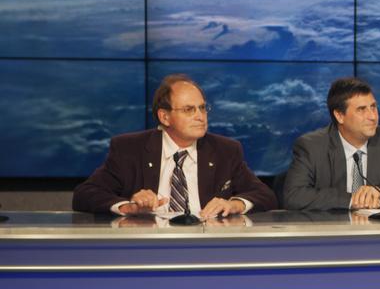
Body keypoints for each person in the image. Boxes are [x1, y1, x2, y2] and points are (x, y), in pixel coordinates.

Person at [72, 75, 276, 217]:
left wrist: (234, 204)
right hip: (148, 248)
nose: (200, 116)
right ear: (165, 116)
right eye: (189, 110)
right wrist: (128, 207)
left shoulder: (225, 150)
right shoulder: (130, 149)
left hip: (208, 246)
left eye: (203, 108)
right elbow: (85, 195)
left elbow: (265, 195)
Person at [283, 77, 380, 210]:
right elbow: (294, 196)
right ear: (339, 116)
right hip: (331, 235)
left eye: (373, 107)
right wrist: (353, 200)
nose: (372, 116)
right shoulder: (312, 146)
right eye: (361, 110)